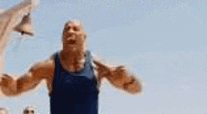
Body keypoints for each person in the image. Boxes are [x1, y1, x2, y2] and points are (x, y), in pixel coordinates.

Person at [0, 20, 142, 114]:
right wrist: (10, 86)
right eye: (66, 29)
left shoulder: (99, 66)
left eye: (75, 29)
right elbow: (16, 88)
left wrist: (130, 79)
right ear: (62, 38)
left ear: (84, 37)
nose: (70, 32)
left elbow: (136, 89)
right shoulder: (48, 67)